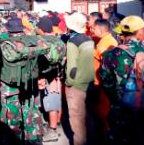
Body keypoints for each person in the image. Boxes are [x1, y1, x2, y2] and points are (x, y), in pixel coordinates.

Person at [99, 16, 144, 143]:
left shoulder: (111, 54)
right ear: (140, 32)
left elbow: (106, 84)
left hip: (122, 109)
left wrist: (116, 100)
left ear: (121, 32)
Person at [0, 17, 44, 143]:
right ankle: (34, 138)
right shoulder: (33, 40)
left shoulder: (4, 41)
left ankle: (15, 139)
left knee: (12, 112)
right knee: (31, 111)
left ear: (8, 29)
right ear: (22, 28)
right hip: (30, 82)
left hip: (10, 84)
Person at [64, 12, 94, 145]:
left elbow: (72, 68)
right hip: (89, 83)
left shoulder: (72, 42)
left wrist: (68, 84)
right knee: (88, 118)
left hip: (77, 86)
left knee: (77, 121)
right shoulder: (89, 39)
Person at [36, 17, 63, 142]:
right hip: (56, 75)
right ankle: (54, 127)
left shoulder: (41, 42)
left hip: (44, 76)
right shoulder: (59, 40)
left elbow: (39, 62)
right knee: (54, 101)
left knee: (49, 102)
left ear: (41, 29)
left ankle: (51, 131)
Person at [91, 19, 118, 138]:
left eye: (94, 28)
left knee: (103, 111)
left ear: (100, 30)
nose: (92, 30)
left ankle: (107, 134)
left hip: (103, 82)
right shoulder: (104, 40)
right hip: (99, 81)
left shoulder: (107, 43)